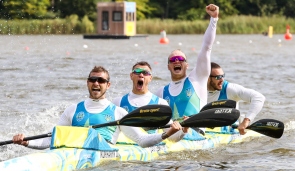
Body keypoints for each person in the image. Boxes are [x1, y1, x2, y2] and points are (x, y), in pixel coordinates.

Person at [12, 66, 184, 149]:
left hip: (103, 157)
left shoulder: (118, 112)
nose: (96, 83)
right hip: (73, 153)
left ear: (108, 85)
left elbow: (142, 141)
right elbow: (51, 140)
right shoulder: (72, 110)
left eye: (101, 81)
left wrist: (167, 133)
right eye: (93, 80)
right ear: (87, 83)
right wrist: (26, 142)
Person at [155, 4, 219, 120]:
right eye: (173, 60)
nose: (176, 61)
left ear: (186, 65)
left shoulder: (197, 78)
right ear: (168, 66)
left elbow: (206, 47)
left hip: (196, 133)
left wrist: (214, 19)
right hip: (173, 135)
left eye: (180, 59)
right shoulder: (161, 92)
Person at [113, 61, 188, 141]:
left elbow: (172, 138)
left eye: (145, 73)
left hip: (151, 144)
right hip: (127, 145)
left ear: (150, 78)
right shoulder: (118, 102)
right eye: (137, 72)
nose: (141, 75)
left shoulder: (160, 104)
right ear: (131, 76)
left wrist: (184, 129)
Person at [207, 62, 266, 135]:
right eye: (218, 77)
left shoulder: (229, 89)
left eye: (223, 76)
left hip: (230, 130)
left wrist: (246, 121)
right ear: (208, 78)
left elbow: (259, 98)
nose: (222, 80)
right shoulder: (195, 90)